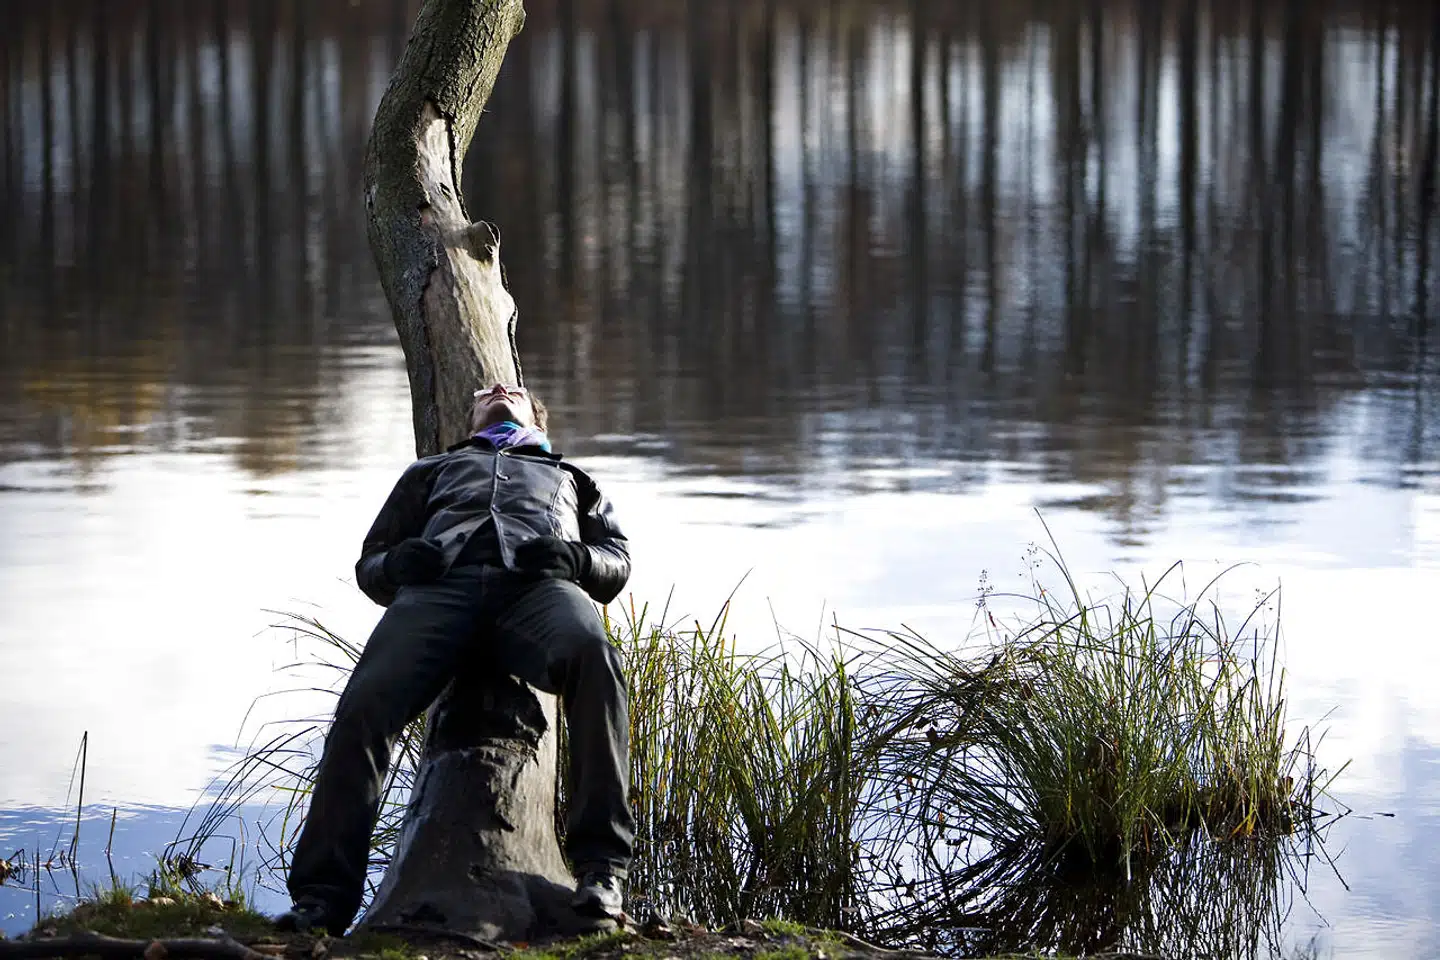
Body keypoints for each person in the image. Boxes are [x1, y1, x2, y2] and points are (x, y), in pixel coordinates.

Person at [276, 383, 634, 936]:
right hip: (439, 590)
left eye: (509, 388)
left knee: (597, 660)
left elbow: (617, 561)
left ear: (536, 416)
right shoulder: (429, 471)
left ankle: (601, 869)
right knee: (363, 705)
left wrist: (577, 557)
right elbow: (370, 563)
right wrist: (400, 565)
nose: (495, 389)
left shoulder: (572, 478)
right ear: (468, 420)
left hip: (537, 591)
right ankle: (323, 899)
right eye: (482, 392)